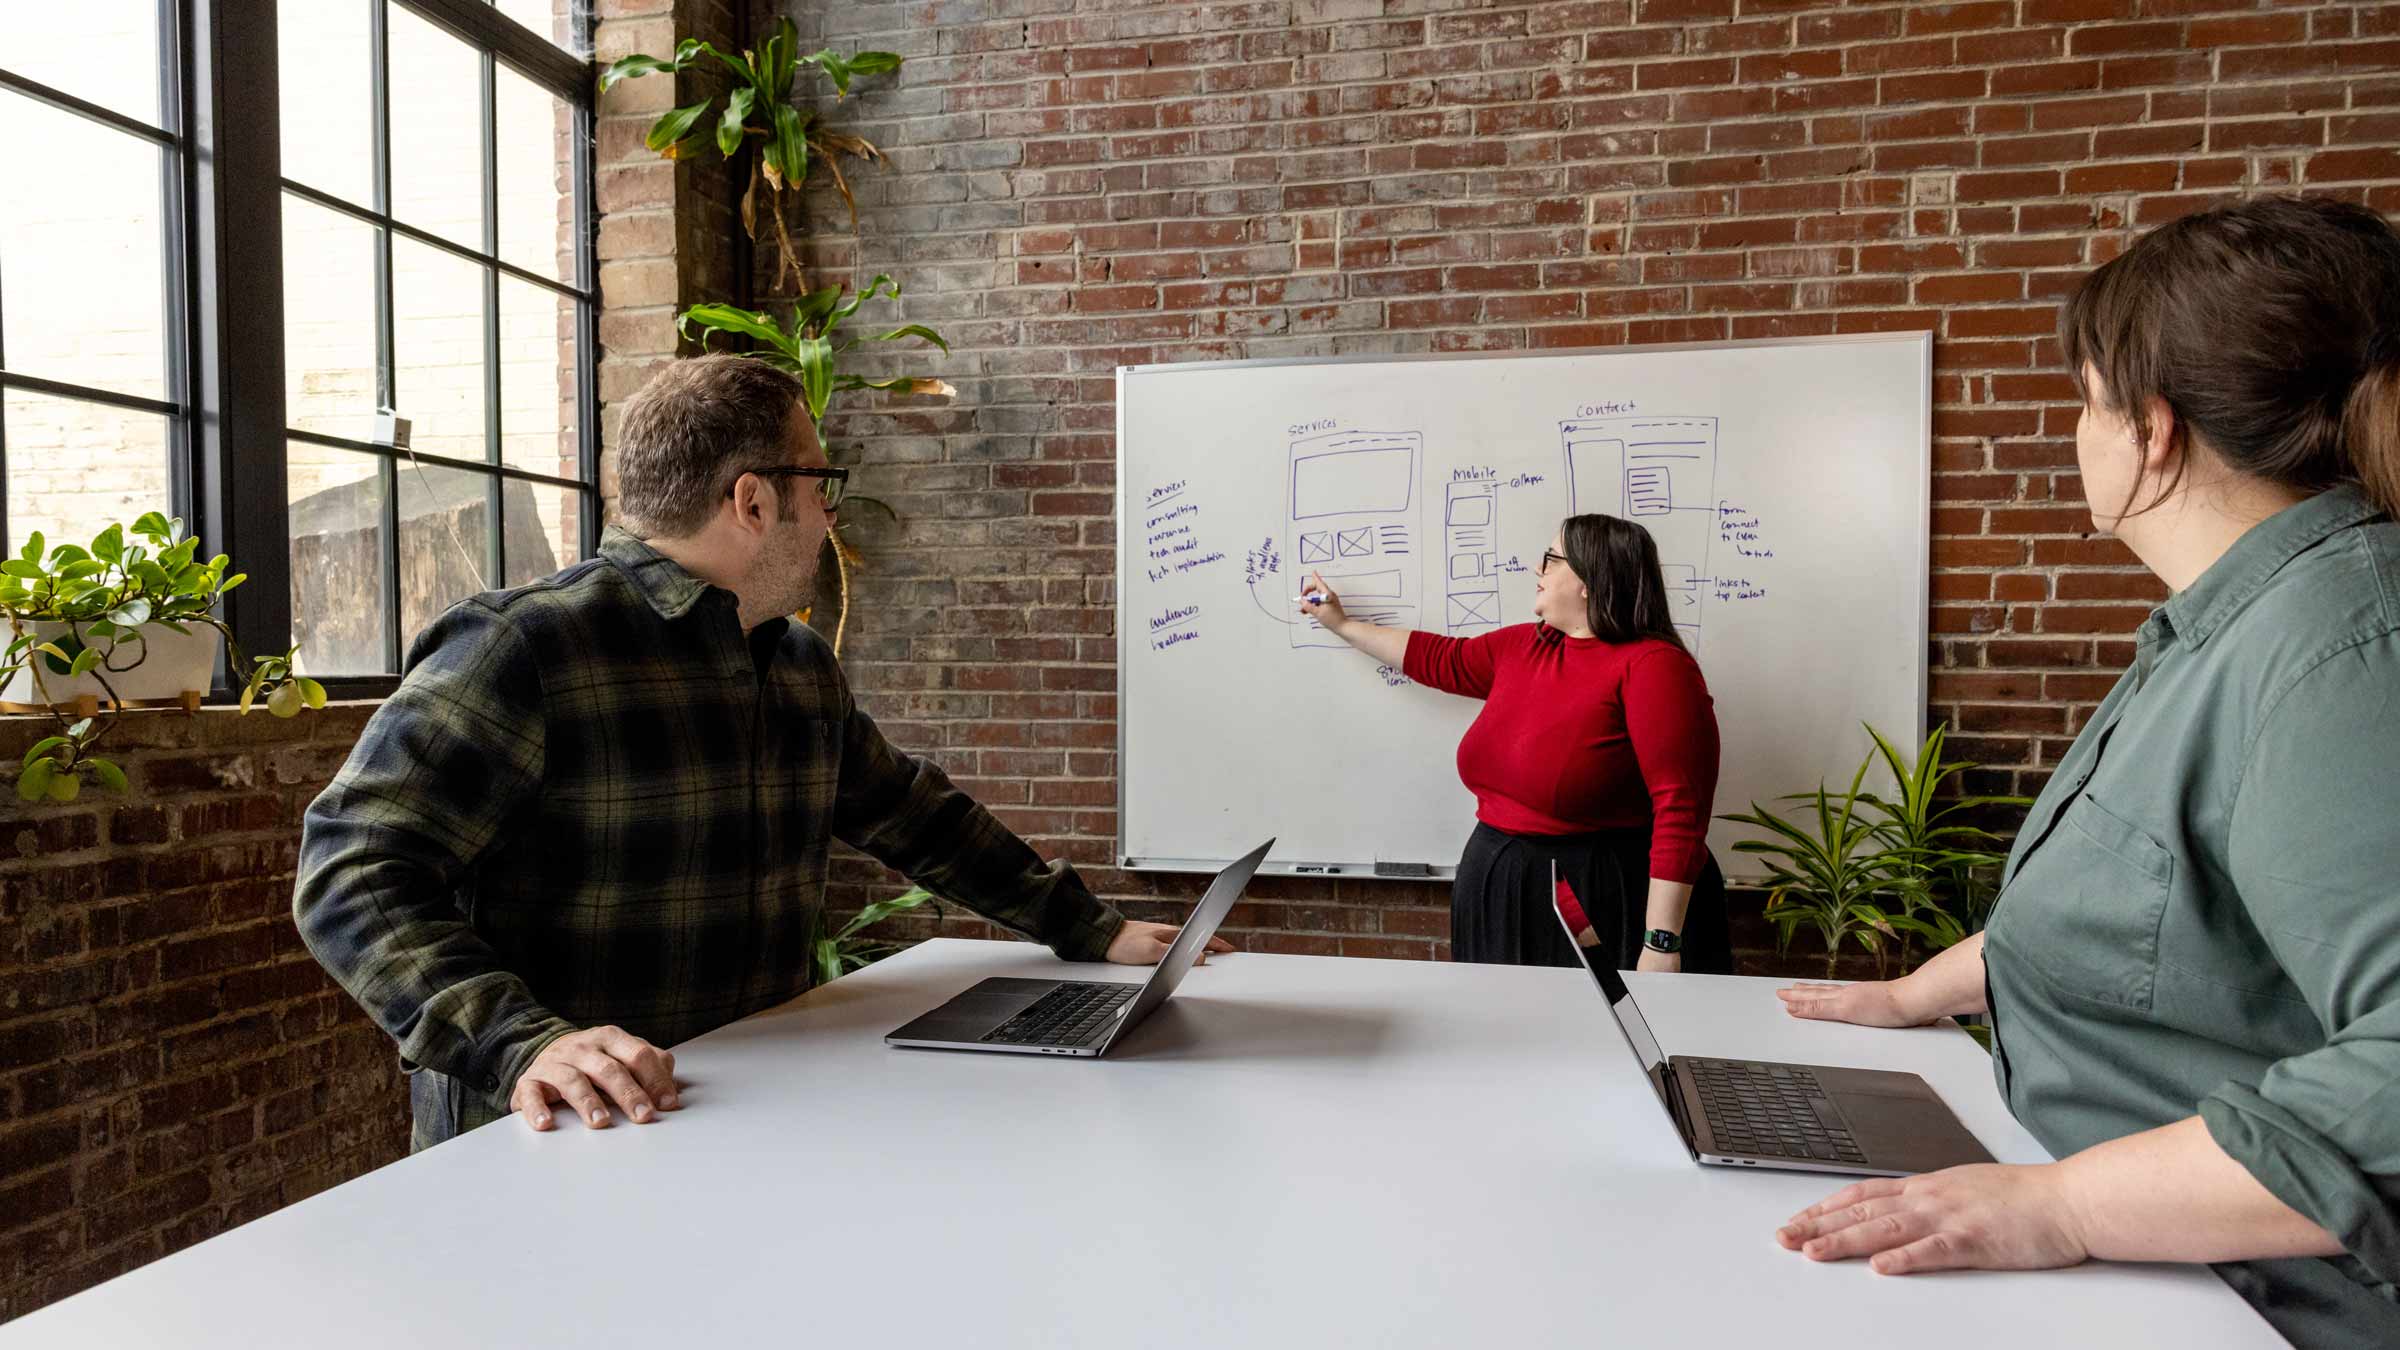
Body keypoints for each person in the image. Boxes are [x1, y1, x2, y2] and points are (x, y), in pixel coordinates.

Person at [295, 354, 1225, 1150]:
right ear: (752, 501)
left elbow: (913, 815)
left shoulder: (792, 662)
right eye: (823, 486)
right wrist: (524, 1041)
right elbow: (352, 870)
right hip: (559, 1135)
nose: (830, 518)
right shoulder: (526, 648)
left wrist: (1087, 928)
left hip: (746, 1115)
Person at [1767, 195, 2400, 1349]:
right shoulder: (2231, 629)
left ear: (2152, 429)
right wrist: (1921, 995)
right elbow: (2148, 914)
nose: (2076, 435)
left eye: (2083, 402)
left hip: (2244, 1307)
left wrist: (2062, 1205)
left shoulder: (2342, 653)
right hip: (2135, 1266)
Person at [1299, 513, 1729, 974]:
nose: (1537, 570)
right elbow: (1437, 658)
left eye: (1551, 558)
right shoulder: (1526, 647)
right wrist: (1341, 624)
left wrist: (1661, 944)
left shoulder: (1654, 667)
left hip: (1606, 894)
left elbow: (1680, 810)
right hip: (1501, 887)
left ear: (1589, 578)